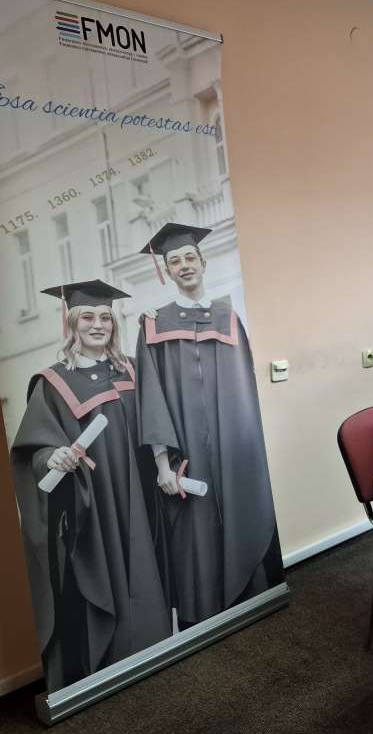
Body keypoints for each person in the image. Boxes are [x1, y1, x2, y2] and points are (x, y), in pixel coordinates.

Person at [11, 281, 170, 690]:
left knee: (147, 566)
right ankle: (113, 666)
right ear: (71, 324)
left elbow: (158, 423)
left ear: (114, 324)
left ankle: (156, 653)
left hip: (141, 497)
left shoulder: (132, 369)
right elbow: (35, 449)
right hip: (95, 503)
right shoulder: (54, 382)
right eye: (87, 317)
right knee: (107, 573)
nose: (97, 324)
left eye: (105, 317)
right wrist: (53, 457)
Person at [135, 223, 282, 630]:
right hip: (187, 454)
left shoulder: (229, 319)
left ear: (203, 263)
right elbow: (151, 398)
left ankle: (253, 600)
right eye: (174, 261)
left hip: (234, 453)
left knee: (240, 512)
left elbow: (247, 389)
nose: (184, 265)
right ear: (167, 271)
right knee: (195, 534)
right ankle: (205, 622)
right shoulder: (154, 325)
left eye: (189, 258)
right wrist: (162, 464)